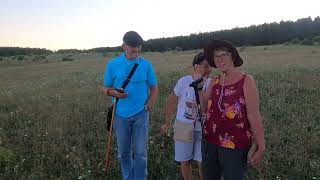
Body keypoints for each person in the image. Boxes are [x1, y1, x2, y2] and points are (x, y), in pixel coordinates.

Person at [199, 40, 266, 180]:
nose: (220, 59)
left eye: (224, 54)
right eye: (216, 56)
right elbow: (203, 106)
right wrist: (198, 85)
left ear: (233, 57)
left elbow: (254, 115)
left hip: (235, 145)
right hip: (209, 141)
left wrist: (261, 147)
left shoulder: (246, 80)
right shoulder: (214, 81)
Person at [103, 31, 158, 180]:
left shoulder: (146, 65)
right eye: (133, 47)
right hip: (119, 114)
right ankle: (128, 177)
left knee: (140, 153)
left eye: (138, 47)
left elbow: (154, 88)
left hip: (141, 113)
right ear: (123, 46)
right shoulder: (112, 65)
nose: (136, 50)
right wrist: (113, 93)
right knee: (123, 153)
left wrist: (149, 105)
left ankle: (140, 177)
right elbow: (105, 87)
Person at [161, 52, 212, 180]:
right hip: (183, 125)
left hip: (203, 127)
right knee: (185, 161)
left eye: (210, 66)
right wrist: (167, 122)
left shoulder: (212, 83)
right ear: (196, 66)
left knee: (202, 162)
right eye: (205, 66)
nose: (209, 69)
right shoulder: (184, 81)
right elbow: (171, 101)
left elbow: (206, 106)